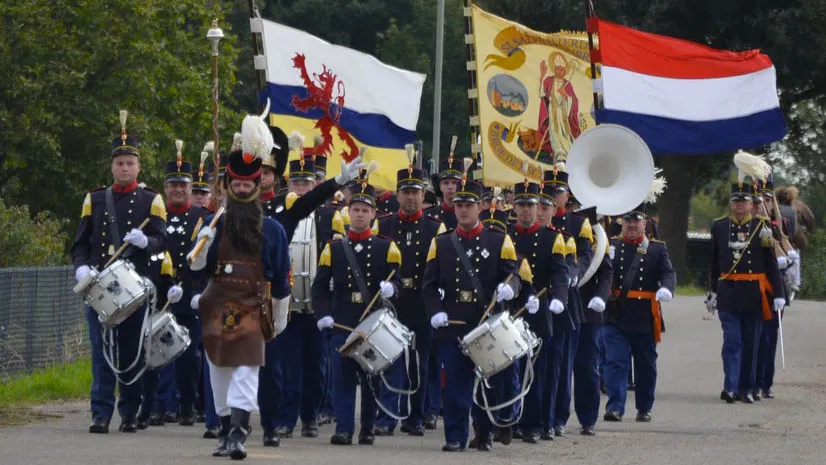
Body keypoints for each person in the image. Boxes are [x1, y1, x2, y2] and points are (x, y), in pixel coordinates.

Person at [188, 127, 292, 460]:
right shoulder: (212, 224)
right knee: (219, 368)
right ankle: (223, 430)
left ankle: (238, 434)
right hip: (217, 302)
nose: (243, 188)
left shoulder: (273, 229)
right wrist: (202, 248)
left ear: (257, 185)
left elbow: (282, 274)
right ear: (229, 186)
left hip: (253, 305)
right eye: (238, 184)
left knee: (246, 368)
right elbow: (193, 270)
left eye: (249, 184)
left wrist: (280, 315)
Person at [71, 110, 167, 434]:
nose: (124, 167)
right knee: (101, 352)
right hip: (99, 287)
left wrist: (147, 242)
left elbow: (163, 241)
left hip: (135, 290)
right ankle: (100, 413)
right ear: (112, 166)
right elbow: (79, 243)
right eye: (119, 162)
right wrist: (81, 267)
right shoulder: (95, 198)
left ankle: (129, 411)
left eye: (130, 163)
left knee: (131, 352)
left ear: (138, 167)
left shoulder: (152, 200)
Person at [423, 173, 521, 452]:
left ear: (479, 207)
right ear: (453, 208)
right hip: (453, 322)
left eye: (469, 205)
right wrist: (435, 311)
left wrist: (509, 288)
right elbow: (428, 286)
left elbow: (514, 275)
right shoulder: (441, 243)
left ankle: (484, 432)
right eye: (459, 205)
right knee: (456, 385)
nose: (464, 210)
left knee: (488, 384)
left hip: (485, 323)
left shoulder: (498, 239)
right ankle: (455, 435)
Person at [312, 172, 402, 446]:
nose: (360, 215)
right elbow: (319, 287)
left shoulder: (386, 247)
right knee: (342, 380)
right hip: (342, 322)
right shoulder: (334, 247)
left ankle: (368, 428)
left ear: (374, 215)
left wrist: (391, 290)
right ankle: (343, 428)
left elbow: (397, 283)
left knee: (371, 378)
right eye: (356, 210)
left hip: (371, 323)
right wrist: (323, 314)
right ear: (348, 212)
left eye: (365, 210)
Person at [373, 153, 445, 436]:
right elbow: (376, 261)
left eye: (416, 192)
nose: (411, 197)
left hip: (422, 303)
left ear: (423, 194)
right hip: (393, 303)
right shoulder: (384, 224)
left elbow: (441, 263)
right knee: (390, 360)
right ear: (397, 194)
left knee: (420, 363)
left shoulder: (435, 226)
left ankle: (416, 416)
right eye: (406, 192)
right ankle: (388, 416)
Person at [708, 182, 785, 404]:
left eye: (744, 201)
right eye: (736, 201)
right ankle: (730, 387)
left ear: (752, 204)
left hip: (754, 293)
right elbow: (714, 262)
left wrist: (778, 293)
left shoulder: (763, 227)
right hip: (729, 292)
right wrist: (712, 290)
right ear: (731, 204)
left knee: (751, 343)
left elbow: (771, 264)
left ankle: (747, 388)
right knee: (732, 341)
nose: (740, 205)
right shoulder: (720, 227)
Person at [602, 203, 675, 422]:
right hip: (616, 314)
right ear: (621, 223)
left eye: (636, 221)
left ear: (645, 223)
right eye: (627, 221)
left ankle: (644, 407)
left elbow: (668, 272)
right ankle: (615, 407)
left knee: (646, 366)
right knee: (616, 362)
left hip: (644, 315)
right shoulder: (610, 245)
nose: (632, 225)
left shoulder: (657, 248)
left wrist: (666, 289)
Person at [508, 179, 569, 443]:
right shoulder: (505, 235)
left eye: (530, 205)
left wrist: (558, 297)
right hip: (511, 309)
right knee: (510, 370)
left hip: (539, 310)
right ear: (514, 206)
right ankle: (511, 420)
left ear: (538, 207)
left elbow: (560, 273)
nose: (525, 211)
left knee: (536, 371)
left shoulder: (552, 238)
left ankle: (534, 424)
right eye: (520, 205)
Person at [546, 165, 593, 437]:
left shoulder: (579, 223)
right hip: (539, 299)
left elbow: (585, 256)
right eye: (549, 192)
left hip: (567, 298)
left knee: (563, 363)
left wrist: (574, 274)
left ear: (566, 194)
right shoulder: (539, 222)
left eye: (558, 192)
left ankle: (559, 416)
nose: (553, 196)